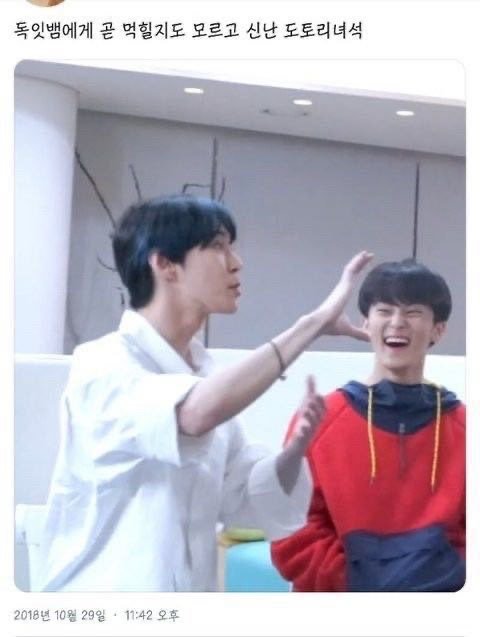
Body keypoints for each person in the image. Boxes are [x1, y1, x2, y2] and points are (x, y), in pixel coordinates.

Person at [39, 194, 372, 592]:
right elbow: (193, 415)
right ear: (164, 264)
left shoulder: (204, 374)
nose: (236, 262)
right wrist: (312, 325)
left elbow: (244, 499)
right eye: (217, 246)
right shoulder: (103, 365)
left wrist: (295, 450)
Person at [271, 259, 465, 592]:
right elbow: (290, 527)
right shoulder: (321, 419)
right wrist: (353, 582)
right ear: (366, 322)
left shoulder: (464, 427)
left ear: (438, 329)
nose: (397, 322)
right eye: (384, 310)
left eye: (413, 312)